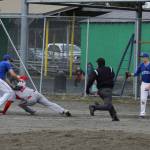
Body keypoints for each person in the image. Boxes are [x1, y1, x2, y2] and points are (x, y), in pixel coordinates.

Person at [1, 76, 72, 117]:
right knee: (49, 103)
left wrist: (4, 111)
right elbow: (25, 77)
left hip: (31, 99)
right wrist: (18, 77)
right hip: (37, 94)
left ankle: (32, 112)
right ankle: (63, 110)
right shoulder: (22, 82)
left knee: (20, 104)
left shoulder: (12, 91)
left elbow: (9, 102)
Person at [126, 52, 150, 118]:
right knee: (143, 99)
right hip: (144, 83)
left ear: (147, 58)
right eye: (141, 57)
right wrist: (130, 74)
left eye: (143, 57)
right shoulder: (141, 65)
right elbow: (136, 73)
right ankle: (142, 114)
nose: (142, 58)